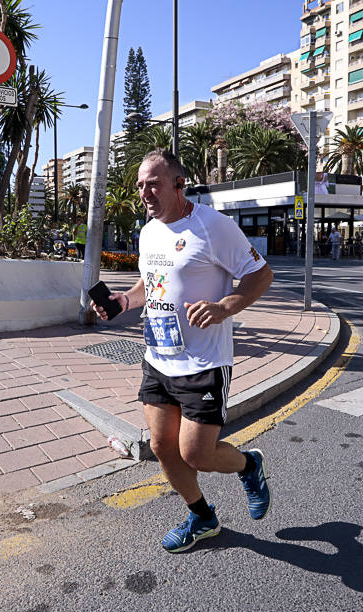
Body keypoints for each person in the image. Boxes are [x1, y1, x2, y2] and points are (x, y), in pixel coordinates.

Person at [91, 149, 274, 553]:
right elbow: (150, 284)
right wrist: (123, 302)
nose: (144, 192)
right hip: (158, 357)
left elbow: (261, 274)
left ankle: (249, 465)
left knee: (196, 454)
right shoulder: (149, 231)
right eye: (140, 185)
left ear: (179, 184)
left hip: (204, 362)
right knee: (161, 447)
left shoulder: (214, 227)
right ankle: (202, 517)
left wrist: (225, 306)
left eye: (153, 183)